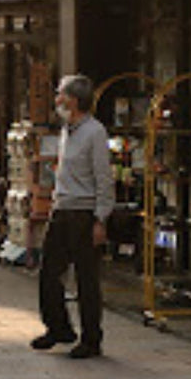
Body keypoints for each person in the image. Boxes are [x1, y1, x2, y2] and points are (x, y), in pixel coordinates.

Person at [32, 74, 114, 359]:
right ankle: (58, 327)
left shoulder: (95, 132)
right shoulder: (68, 130)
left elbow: (104, 179)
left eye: (61, 95)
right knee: (49, 272)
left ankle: (92, 338)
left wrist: (100, 218)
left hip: (84, 212)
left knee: (86, 278)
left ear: (75, 100)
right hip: (62, 208)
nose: (57, 100)